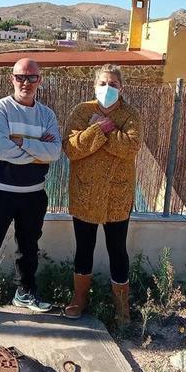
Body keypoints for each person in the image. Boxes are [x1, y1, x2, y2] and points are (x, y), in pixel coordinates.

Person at [0, 58, 62, 326]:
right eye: (21, 77)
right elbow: (1, 148)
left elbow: (54, 152)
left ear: (40, 81)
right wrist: (36, 148)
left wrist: (21, 142)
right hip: (0, 192)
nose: (26, 83)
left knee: (28, 247)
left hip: (34, 194)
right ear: (12, 79)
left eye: (32, 78)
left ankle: (25, 292)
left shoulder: (47, 115)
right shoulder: (0, 109)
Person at [62, 63, 142, 328]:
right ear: (94, 85)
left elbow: (131, 148)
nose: (108, 88)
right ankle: (79, 298)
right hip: (85, 192)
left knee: (117, 251)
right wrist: (97, 129)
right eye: (103, 83)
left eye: (114, 84)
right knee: (83, 249)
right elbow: (72, 149)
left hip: (116, 196)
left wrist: (104, 129)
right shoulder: (81, 111)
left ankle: (122, 306)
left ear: (122, 88)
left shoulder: (131, 114)